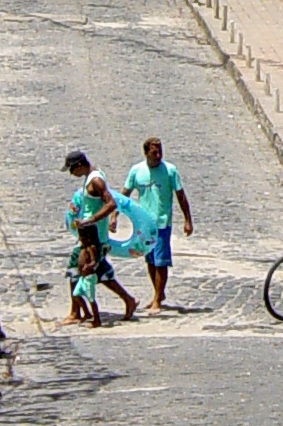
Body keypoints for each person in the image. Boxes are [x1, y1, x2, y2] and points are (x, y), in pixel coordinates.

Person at [63, 150, 137, 322]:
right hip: (89, 235)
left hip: (94, 237)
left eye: (71, 169)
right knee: (101, 273)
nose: (70, 173)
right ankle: (128, 300)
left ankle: (76, 313)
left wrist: (91, 220)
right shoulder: (92, 177)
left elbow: (111, 203)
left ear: (79, 165)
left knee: (76, 270)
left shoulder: (96, 180)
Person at [123, 136, 193, 311]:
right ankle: (158, 293)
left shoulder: (170, 170)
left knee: (161, 261)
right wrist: (115, 216)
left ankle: (157, 300)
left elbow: (180, 195)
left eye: (160, 151)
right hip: (144, 225)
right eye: (154, 152)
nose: (158, 155)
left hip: (162, 223)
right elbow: (125, 194)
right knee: (151, 261)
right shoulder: (136, 171)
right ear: (146, 153)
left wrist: (187, 220)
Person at [72, 234, 102, 328]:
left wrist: (88, 266)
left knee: (91, 299)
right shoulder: (82, 249)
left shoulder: (90, 248)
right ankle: (86, 313)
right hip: (82, 277)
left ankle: (97, 320)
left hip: (89, 277)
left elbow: (94, 261)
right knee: (76, 294)